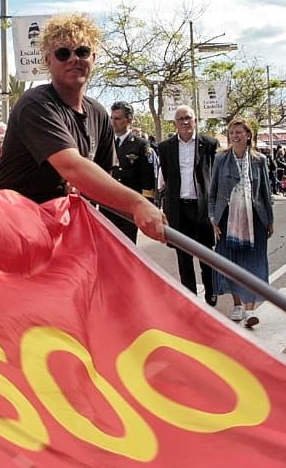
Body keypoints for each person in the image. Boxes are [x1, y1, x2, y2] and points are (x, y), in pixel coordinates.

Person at [0, 14, 165, 240]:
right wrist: (137, 203)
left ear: (93, 58)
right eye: (63, 53)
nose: (73, 59)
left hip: (64, 234)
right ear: (48, 60)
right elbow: (72, 167)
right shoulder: (36, 104)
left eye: (82, 52)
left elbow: (103, 176)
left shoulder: (98, 112)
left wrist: (83, 188)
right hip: (19, 232)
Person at [207, 118, 274, 327]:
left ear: (248, 135)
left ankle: (250, 309)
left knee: (253, 263)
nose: (235, 136)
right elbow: (213, 192)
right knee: (231, 262)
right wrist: (213, 218)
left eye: (239, 132)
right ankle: (237, 305)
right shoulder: (220, 159)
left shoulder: (259, 160)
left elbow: (265, 192)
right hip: (227, 218)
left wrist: (269, 219)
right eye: (232, 133)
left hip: (254, 219)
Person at [158, 106, 219, 301]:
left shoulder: (209, 144)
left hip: (201, 208)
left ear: (195, 121)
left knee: (205, 253)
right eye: (180, 119)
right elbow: (164, 177)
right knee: (183, 257)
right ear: (174, 124)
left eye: (188, 118)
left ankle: (211, 292)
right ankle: (190, 297)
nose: (185, 122)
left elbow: (214, 176)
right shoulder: (165, 147)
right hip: (178, 208)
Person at [106, 102, 157, 242]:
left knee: (126, 248)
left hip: (128, 208)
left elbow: (147, 179)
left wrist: (146, 206)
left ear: (128, 120)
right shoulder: (106, 142)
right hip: (107, 207)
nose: (113, 122)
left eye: (117, 118)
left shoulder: (141, 144)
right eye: (112, 118)